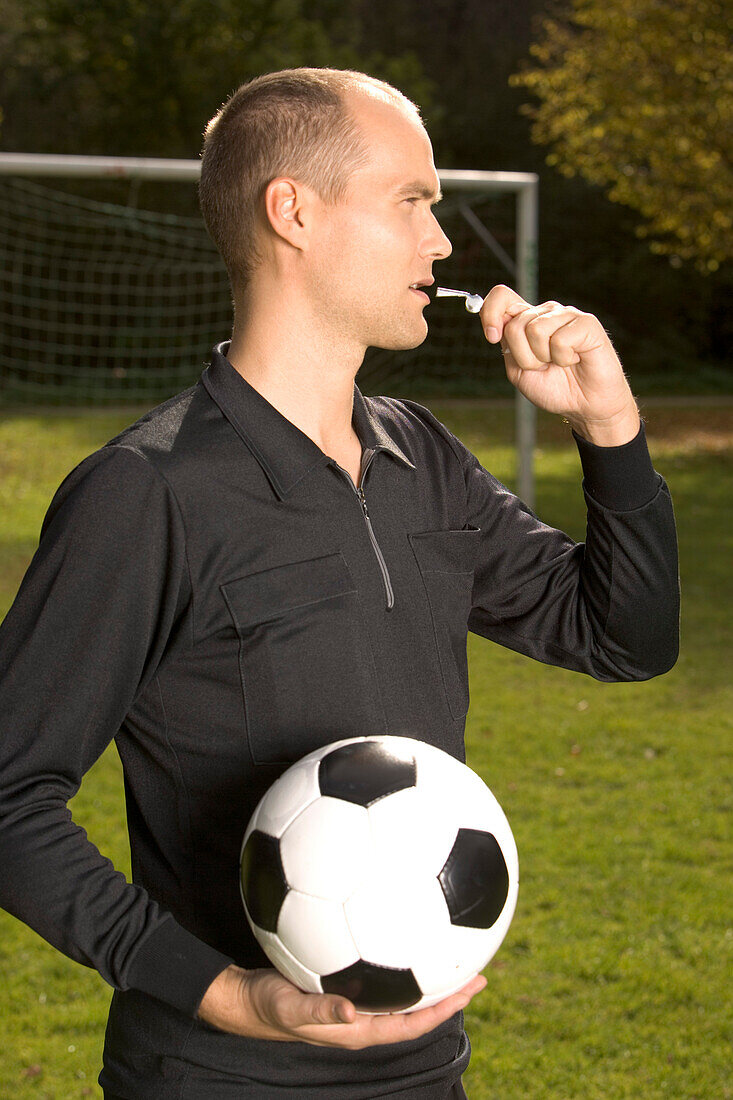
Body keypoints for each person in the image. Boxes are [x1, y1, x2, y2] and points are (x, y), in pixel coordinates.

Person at [0, 68, 679, 1099]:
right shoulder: (145, 494)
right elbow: (9, 796)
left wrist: (612, 431)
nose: (442, 241)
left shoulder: (423, 458)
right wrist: (227, 992)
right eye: (412, 200)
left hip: (423, 1072)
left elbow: (624, 636)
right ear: (294, 210)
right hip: (217, 1078)